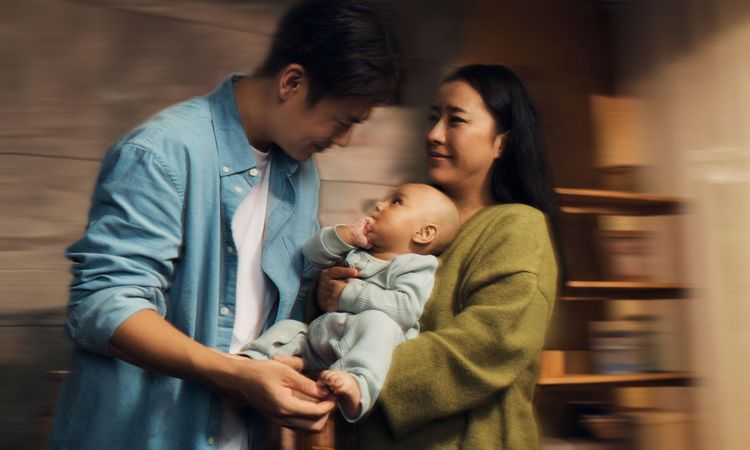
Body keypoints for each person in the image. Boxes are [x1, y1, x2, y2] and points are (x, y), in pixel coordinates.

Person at [48, 1, 400, 449]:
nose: (343, 140)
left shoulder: (300, 171)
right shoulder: (162, 152)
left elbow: (269, 305)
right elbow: (103, 305)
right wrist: (234, 371)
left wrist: (325, 289)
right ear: (292, 82)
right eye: (342, 120)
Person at [317, 64, 563, 449]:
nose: (433, 134)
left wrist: (361, 374)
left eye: (456, 120)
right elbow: (354, 310)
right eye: (434, 119)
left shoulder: (518, 227)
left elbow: (490, 344)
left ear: (502, 142)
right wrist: (329, 292)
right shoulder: (407, 220)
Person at [239, 183, 460, 423]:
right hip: (326, 334)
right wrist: (343, 236)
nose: (379, 204)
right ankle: (253, 360)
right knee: (292, 328)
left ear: (423, 233)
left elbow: (406, 309)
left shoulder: (415, 266)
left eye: (396, 202)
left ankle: (358, 382)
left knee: (378, 323)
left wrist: (347, 294)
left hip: (367, 342)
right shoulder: (357, 248)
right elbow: (312, 255)